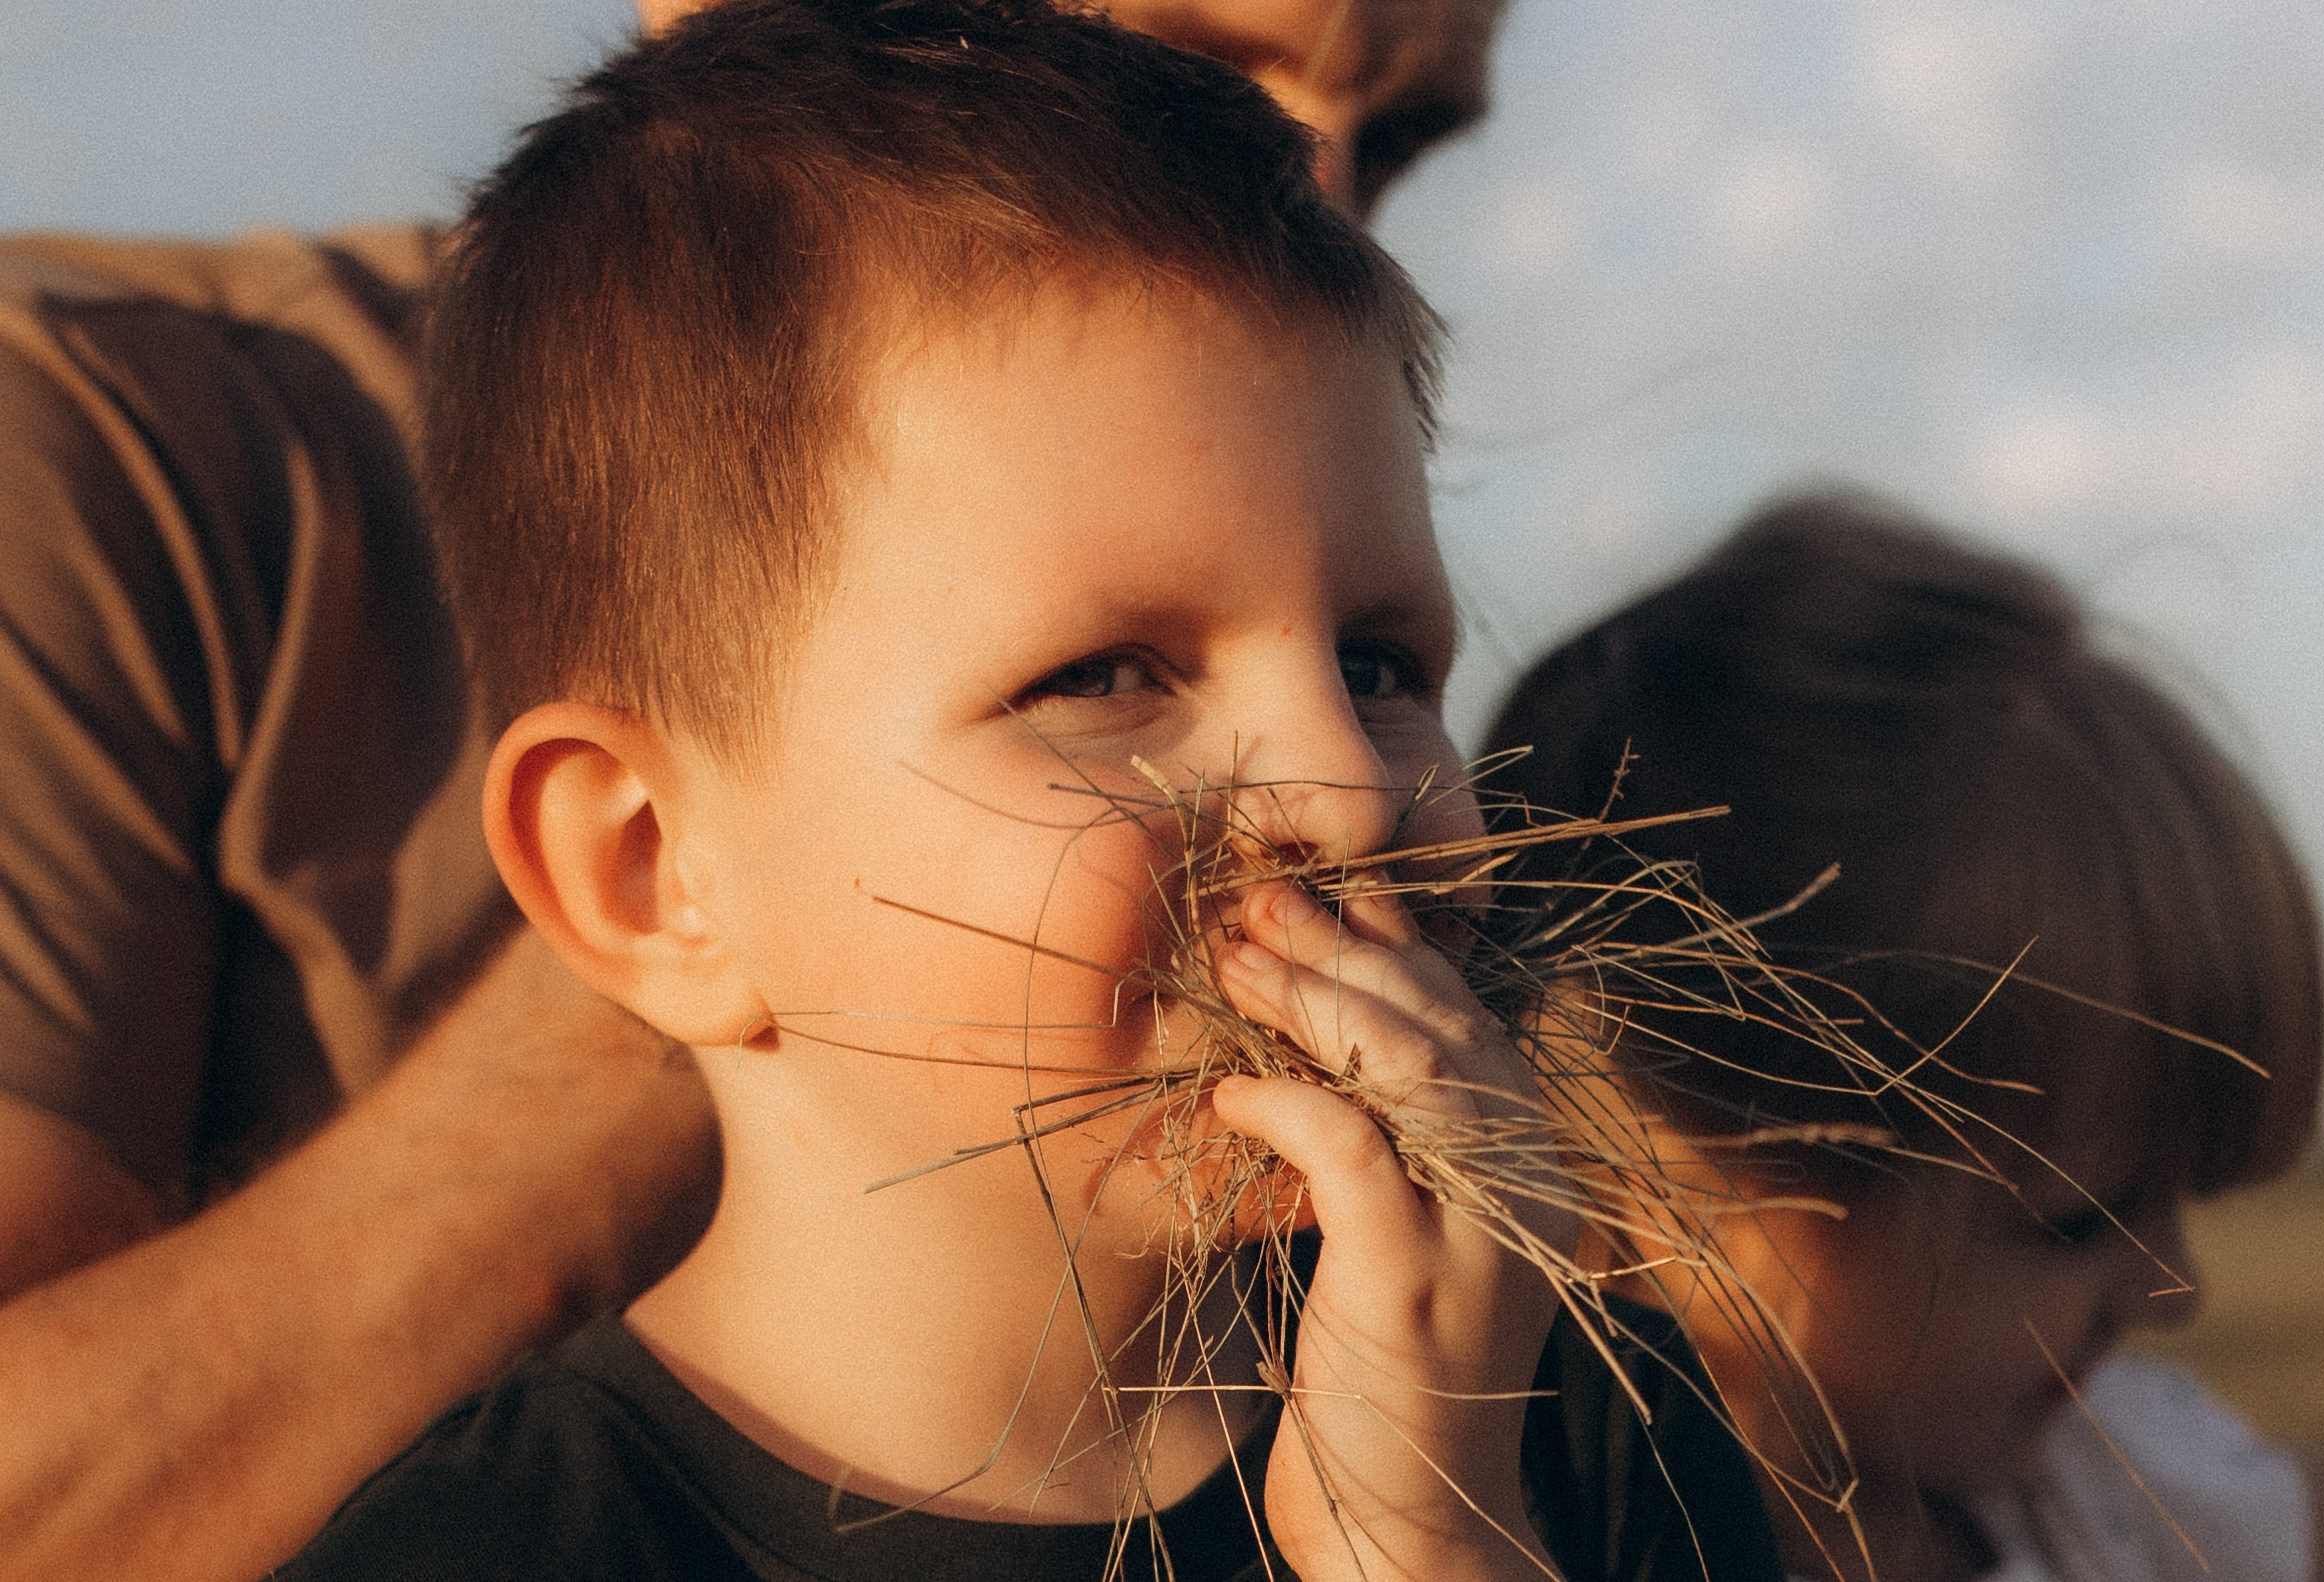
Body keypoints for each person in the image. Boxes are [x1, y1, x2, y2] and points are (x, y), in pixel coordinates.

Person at [268, 1, 1787, 1576]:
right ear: (652, 876)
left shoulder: (1570, 1424)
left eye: (1380, 662)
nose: (1346, 789)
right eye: (1105, 675)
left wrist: (1433, 1540)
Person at [0, 0, 1505, 1577]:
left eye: (1380, 665)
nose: (1320, 194)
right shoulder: (112, 447)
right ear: (638, 870)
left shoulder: (1538, 1417)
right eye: (1186, 65)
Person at [1482, 492, 2324, 1582]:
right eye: (2074, 1221)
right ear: (1652, 1184)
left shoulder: (2106, 1478)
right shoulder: (1529, 1555)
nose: (2176, 1290)